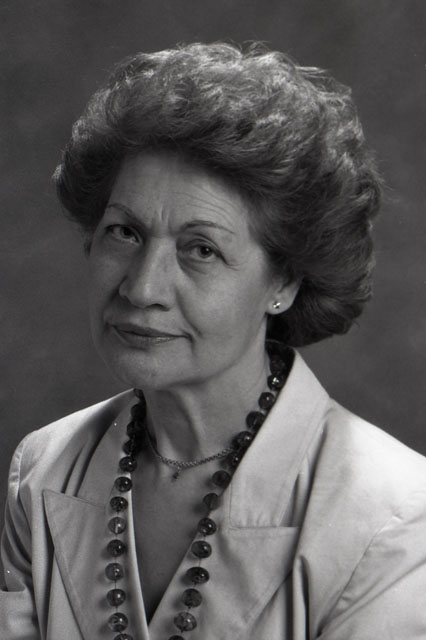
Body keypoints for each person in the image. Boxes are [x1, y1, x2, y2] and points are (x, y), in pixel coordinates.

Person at [1, 42, 425, 640]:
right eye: (125, 232)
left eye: (201, 249)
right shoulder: (46, 467)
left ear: (284, 282)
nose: (142, 287)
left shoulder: (394, 514)